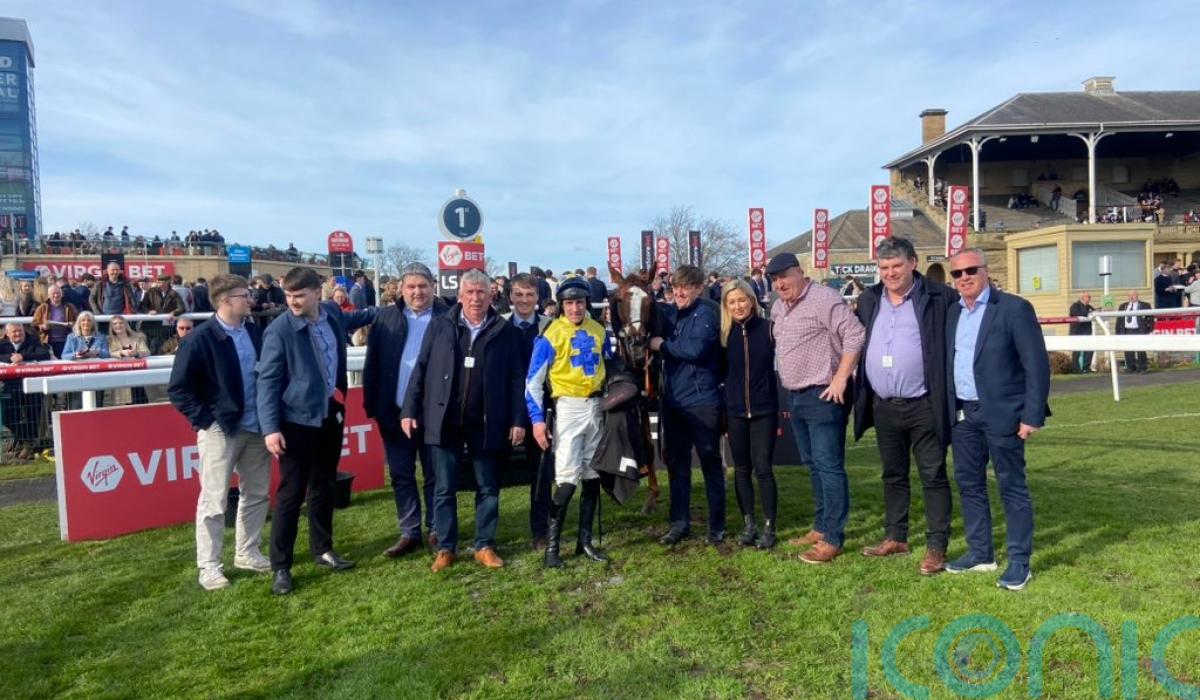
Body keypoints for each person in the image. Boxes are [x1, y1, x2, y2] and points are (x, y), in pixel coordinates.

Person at [257, 267, 376, 595]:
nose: (292, 302)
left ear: (316, 293)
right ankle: (281, 567)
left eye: (299, 295)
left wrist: (396, 309)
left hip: (330, 415)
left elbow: (358, 318)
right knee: (291, 495)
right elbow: (267, 381)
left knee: (323, 485)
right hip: (295, 422)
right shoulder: (279, 330)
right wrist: (270, 429)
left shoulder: (333, 313)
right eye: (288, 296)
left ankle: (323, 550)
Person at [401, 270, 526, 573]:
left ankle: (484, 545)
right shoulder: (440, 325)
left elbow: (516, 379)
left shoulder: (505, 330)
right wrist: (409, 410)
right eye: (469, 292)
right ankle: (446, 547)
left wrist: (518, 419)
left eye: (481, 292)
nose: (475, 298)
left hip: (487, 421)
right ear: (460, 295)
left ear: (491, 295)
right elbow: (421, 369)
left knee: (488, 487)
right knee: (444, 488)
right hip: (445, 420)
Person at [944, 248, 1050, 591]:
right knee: (969, 484)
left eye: (970, 270)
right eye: (957, 273)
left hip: (1004, 413)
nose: (964, 278)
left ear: (985, 271)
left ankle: (1019, 561)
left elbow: (1036, 365)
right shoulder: (953, 312)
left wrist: (1032, 415)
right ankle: (980, 553)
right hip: (964, 414)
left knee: (1011, 486)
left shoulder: (1014, 309)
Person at [852, 237, 957, 576]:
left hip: (924, 403)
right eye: (884, 267)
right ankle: (896, 537)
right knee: (893, 474)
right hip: (884, 405)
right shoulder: (869, 299)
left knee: (933, 475)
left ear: (913, 263)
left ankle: (937, 546)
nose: (890, 273)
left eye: (896, 265)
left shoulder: (939, 297)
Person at [168, 275, 272, 591]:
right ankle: (209, 566)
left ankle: (248, 552)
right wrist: (207, 421)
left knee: (257, 494)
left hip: (257, 428)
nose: (250, 299)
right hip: (220, 431)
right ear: (225, 300)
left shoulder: (255, 333)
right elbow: (179, 389)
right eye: (244, 295)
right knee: (214, 501)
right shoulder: (199, 339)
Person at [767, 252, 865, 564]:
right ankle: (821, 526)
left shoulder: (824, 298)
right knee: (813, 464)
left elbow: (855, 334)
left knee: (828, 466)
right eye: (775, 280)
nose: (780, 284)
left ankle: (833, 537)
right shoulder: (778, 307)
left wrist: (841, 378)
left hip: (823, 394)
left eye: (784, 276)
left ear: (800, 272)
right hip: (795, 395)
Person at [362, 262, 448, 558]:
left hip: (434, 414)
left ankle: (436, 529)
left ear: (433, 287)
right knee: (401, 474)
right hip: (394, 411)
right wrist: (373, 405)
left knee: (436, 475)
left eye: (422, 286)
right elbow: (372, 364)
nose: (417, 292)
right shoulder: (385, 318)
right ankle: (410, 531)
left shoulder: (448, 317)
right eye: (411, 286)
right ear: (401, 289)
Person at [526, 277, 611, 568]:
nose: (575, 308)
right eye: (570, 303)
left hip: (596, 407)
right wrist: (537, 421)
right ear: (562, 305)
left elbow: (609, 366)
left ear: (587, 303)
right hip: (567, 410)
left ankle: (584, 541)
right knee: (566, 479)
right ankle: (552, 549)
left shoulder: (599, 330)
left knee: (592, 476)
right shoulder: (550, 335)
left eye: (580, 302)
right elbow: (533, 382)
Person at [649, 264, 726, 546]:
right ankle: (679, 523)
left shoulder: (707, 313)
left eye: (686, 287)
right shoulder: (670, 313)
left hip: (702, 401)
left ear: (699, 288)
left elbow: (696, 350)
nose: (679, 293)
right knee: (677, 465)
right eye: (675, 287)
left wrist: (661, 345)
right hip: (674, 402)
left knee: (710, 463)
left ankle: (716, 526)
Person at [719, 279, 778, 549]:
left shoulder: (769, 329)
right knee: (741, 469)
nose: (738, 306)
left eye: (742, 300)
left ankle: (769, 526)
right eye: (732, 302)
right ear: (726, 306)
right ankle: (749, 524)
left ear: (752, 301)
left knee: (763, 468)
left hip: (764, 409)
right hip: (735, 412)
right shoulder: (723, 336)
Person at [504, 273, 554, 548]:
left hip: (540, 409)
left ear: (537, 297)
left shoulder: (550, 328)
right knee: (492, 474)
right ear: (511, 297)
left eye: (529, 295)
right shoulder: (499, 326)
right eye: (519, 295)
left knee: (541, 473)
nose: (524, 300)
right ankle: (486, 536)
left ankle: (540, 531)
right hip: (506, 410)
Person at [0, 322, 50, 460]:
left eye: (20, 331)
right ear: (7, 334)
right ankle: (26, 440)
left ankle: (27, 447)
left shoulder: (33, 341)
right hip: (11, 387)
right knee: (7, 417)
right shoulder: (2, 344)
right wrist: (9, 358)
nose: (18, 334)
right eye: (14, 332)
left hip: (32, 386)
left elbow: (45, 354)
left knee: (33, 417)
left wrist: (23, 356)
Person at [32, 284, 79, 359]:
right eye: (53, 293)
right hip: (48, 341)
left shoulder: (70, 307)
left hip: (67, 340)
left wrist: (73, 324)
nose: (56, 295)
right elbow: (34, 323)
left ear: (62, 295)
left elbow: (79, 321)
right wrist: (42, 326)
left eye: (58, 293)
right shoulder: (42, 308)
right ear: (49, 295)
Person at [1116, 290, 1153, 373]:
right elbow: (1119, 320)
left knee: (1140, 349)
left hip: (1139, 330)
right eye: (1129, 295)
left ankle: (1142, 367)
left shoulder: (1145, 305)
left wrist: (1149, 329)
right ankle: (1131, 367)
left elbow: (1150, 318)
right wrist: (1118, 332)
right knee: (1128, 350)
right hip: (1127, 330)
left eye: (1133, 295)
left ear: (1137, 295)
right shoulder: (1123, 306)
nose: (1131, 297)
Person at [1068, 292, 1095, 374]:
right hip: (1077, 332)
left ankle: (1086, 367)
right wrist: (1089, 312)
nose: (1090, 298)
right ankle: (1076, 369)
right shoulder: (1075, 306)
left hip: (1087, 331)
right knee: (1077, 351)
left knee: (1089, 349)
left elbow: (1094, 312)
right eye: (1088, 297)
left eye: (1090, 297)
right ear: (1082, 298)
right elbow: (1081, 314)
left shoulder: (1089, 307)